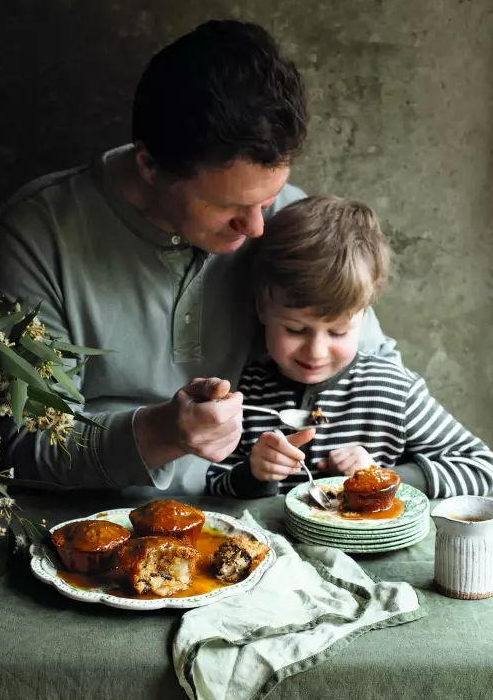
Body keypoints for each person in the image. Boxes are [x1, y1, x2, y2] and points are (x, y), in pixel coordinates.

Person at [0, 20, 400, 497]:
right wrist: (162, 434)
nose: (258, 228)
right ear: (149, 165)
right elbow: (19, 445)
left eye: (267, 199)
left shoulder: (287, 219)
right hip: (84, 528)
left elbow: (373, 366)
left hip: (256, 522)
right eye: (227, 207)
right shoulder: (37, 237)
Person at [206, 195, 493, 498]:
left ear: (364, 317)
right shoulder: (243, 391)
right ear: (262, 308)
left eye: (338, 332)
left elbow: (482, 469)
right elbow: (211, 483)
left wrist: (383, 477)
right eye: (295, 329)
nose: (315, 351)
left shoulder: (393, 390)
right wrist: (254, 475)